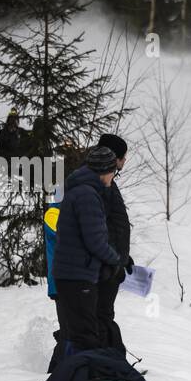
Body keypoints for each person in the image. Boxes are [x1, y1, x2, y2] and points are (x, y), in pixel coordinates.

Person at [52, 146, 123, 354]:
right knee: (86, 339)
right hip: (77, 278)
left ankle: (61, 380)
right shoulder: (87, 195)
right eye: (113, 172)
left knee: (77, 335)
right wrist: (116, 260)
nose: (113, 177)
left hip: (72, 275)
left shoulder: (79, 190)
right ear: (105, 171)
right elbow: (95, 241)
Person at [94, 133, 133, 353]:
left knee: (104, 314)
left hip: (111, 262)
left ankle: (111, 362)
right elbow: (99, 227)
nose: (124, 161)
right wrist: (113, 259)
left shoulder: (108, 182)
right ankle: (108, 364)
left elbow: (114, 225)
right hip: (104, 266)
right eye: (123, 157)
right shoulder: (100, 183)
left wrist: (123, 257)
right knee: (102, 315)